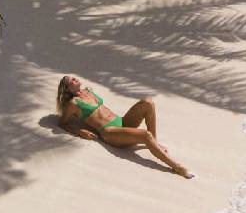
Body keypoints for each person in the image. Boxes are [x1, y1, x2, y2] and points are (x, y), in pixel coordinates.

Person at [56, 75, 194, 178]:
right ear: (68, 89)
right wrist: (80, 131)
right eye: (71, 81)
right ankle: (177, 167)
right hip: (110, 132)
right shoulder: (74, 103)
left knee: (148, 102)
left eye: (74, 78)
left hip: (121, 122)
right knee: (146, 135)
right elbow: (63, 123)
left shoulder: (89, 91)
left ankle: (155, 144)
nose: (75, 79)